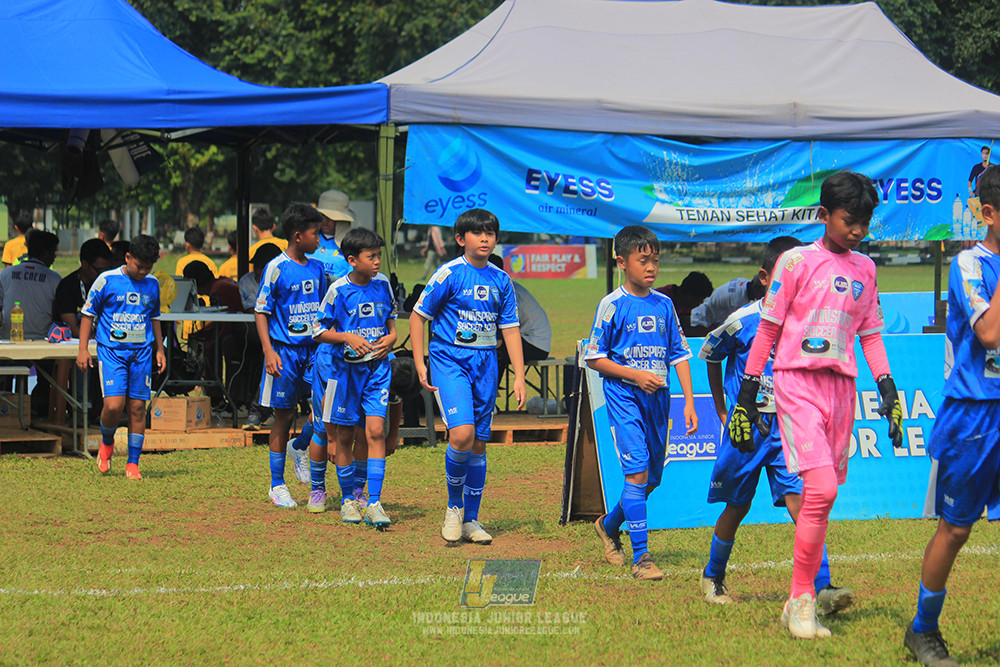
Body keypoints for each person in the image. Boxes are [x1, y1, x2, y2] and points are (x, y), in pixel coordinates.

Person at [730, 172, 903, 639]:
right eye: (851, 221)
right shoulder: (794, 262)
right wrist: (747, 394)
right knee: (821, 489)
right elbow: (767, 330)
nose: (859, 231)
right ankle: (805, 602)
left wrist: (888, 390)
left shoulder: (866, 270)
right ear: (824, 215)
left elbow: (870, 336)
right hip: (795, 383)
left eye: (866, 222)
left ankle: (795, 599)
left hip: (841, 391)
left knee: (821, 498)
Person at [697, 235, 854, 615]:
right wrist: (724, 408)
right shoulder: (743, 320)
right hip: (747, 432)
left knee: (805, 504)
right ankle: (712, 575)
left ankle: (823, 587)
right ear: (767, 278)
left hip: (790, 428)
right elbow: (711, 355)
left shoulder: (809, 322)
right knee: (738, 506)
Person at [903, 166, 1000, 667]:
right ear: (988, 214)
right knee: (957, 529)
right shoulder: (970, 265)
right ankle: (922, 630)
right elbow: (990, 335)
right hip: (976, 418)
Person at [586, 225, 697, 581]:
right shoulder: (612, 305)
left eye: (655, 260)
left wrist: (689, 403)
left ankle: (608, 525)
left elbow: (680, 354)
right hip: (624, 397)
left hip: (659, 400)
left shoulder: (665, 305)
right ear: (622, 262)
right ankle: (642, 558)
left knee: (650, 480)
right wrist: (634, 375)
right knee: (636, 474)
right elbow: (594, 357)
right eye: (643, 260)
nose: (651, 268)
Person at [410, 208, 526, 545]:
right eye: (478, 233)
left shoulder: (501, 280)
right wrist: (420, 361)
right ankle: (453, 508)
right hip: (450, 363)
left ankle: (472, 520)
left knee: (478, 443)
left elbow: (511, 329)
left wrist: (518, 374)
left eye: (490, 232)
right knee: (461, 434)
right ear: (461, 239)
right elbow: (418, 317)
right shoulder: (449, 274)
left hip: (486, 366)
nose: (486, 238)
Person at [310, 228, 397, 527]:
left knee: (375, 431)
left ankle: (374, 502)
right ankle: (347, 499)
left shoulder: (383, 284)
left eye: (379, 256)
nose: (377, 262)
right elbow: (319, 332)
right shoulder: (337, 290)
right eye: (371, 257)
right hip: (344, 372)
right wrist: (346, 336)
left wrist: (392, 338)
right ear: (352, 260)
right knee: (344, 436)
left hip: (377, 370)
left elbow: (390, 322)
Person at [77, 235, 166, 480]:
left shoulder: (152, 284)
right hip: (112, 352)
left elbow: (155, 317)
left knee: (138, 408)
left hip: (142, 353)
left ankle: (133, 463)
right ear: (128, 258)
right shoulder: (106, 280)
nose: (143, 272)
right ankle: (107, 443)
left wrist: (160, 348)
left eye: (148, 268)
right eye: (139, 266)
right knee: (114, 406)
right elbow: (87, 314)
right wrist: (83, 349)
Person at [255, 203, 325, 508]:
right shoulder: (276, 268)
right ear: (298, 236)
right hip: (283, 353)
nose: (319, 239)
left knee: (323, 410)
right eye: (315, 233)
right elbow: (261, 312)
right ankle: (277, 484)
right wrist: (269, 351)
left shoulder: (319, 268)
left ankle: (301, 446)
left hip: (315, 352)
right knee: (283, 415)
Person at [238, 243, 284, 430]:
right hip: (260, 332)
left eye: (261, 267)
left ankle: (265, 410)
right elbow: (257, 311)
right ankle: (258, 409)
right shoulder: (247, 281)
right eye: (256, 266)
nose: (257, 271)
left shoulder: (285, 278)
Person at [487, 255, 551, 371]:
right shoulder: (504, 286)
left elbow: (504, 328)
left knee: (488, 354)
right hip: (535, 341)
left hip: (534, 344)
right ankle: (491, 388)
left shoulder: (506, 290)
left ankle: (490, 389)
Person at [0, 230, 61, 340]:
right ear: (46, 253)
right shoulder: (54, 279)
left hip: (9, 339)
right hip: (43, 341)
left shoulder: (6, 274)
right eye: (53, 252)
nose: (54, 257)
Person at [53, 239, 114, 338]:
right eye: (99, 270)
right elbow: (72, 329)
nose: (103, 275)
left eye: (106, 270)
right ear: (84, 264)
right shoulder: (68, 286)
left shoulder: (109, 284)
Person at [690, 273, 765, 333]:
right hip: (701, 320)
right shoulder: (738, 301)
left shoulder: (743, 282)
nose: (764, 295)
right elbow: (734, 326)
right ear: (756, 288)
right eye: (763, 292)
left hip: (709, 315)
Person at [308, 189, 353, 279]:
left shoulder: (350, 245)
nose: (325, 221)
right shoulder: (308, 240)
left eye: (331, 217)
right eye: (322, 216)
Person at [655, 270, 713, 336]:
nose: (700, 303)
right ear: (690, 297)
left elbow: (686, 328)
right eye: (700, 300)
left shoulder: (685, 304)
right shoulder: (661, 299)